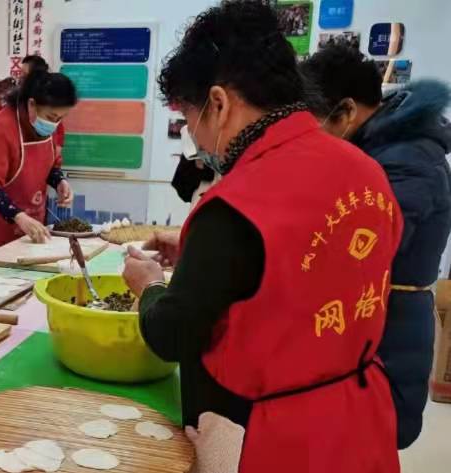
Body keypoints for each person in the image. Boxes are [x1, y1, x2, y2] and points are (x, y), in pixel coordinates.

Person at [121, 3, 401, 472]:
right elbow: (301, 273)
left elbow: (172, 335)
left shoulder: (238, 202)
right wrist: (198, 255)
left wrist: (148, 285)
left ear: (218, 103)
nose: (196, 141)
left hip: (273, 439)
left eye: (189, 118)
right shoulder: (368, 172)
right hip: (358, 421)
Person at [302, 45, 451, 449]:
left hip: (391, 324)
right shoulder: (382, 149)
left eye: (316, 123)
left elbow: (367, 247)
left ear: (347, 111)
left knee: (369, 434)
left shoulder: (407, 158)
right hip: (372, 312)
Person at [0, 69, 78, 252]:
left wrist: (59, 181)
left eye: (60, 118)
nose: (54, 124)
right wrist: (18, 216)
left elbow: (51, 165)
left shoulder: (48, 128)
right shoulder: (0, 126)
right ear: (32, 104)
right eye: (51, 117)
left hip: (31, 220)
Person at [171, 125, 218, 207]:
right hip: (201, 200)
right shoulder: (188, 159)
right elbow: (181, 189)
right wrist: (198, 167)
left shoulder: (217, 152)